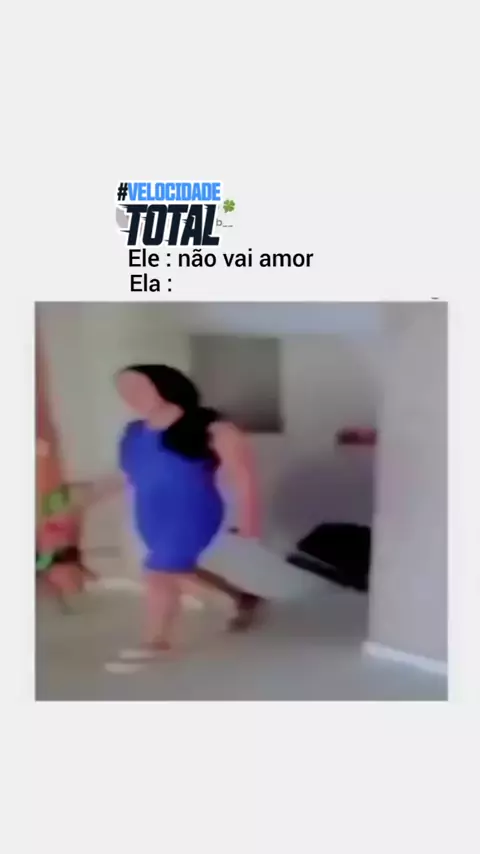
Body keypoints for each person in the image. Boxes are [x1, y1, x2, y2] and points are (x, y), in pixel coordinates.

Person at [89, 364, 264, 656]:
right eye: (123, 390)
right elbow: (128, 474)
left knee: (159, 572)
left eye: (138, 386)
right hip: (150, 514)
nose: (130, 395)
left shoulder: (214, 428)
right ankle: (239, 600)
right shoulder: (133, 432)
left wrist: (249, 523)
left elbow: (243, 477)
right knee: (173, 570)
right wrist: (86, 498)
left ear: (165, 385)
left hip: (192, 510)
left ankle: (156, 641)